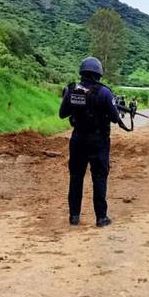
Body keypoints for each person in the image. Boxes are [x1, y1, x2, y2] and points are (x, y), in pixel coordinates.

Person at [59, 57, 121, 228]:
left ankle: (74, 216)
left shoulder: (71, 89)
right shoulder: (105, 92)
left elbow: (62, 114)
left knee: (76, 178)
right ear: (98, 74)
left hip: (78, 139)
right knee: (99, 178)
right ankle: (101, 218)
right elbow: (116, 118)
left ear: (82, 72)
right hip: (99, 141)